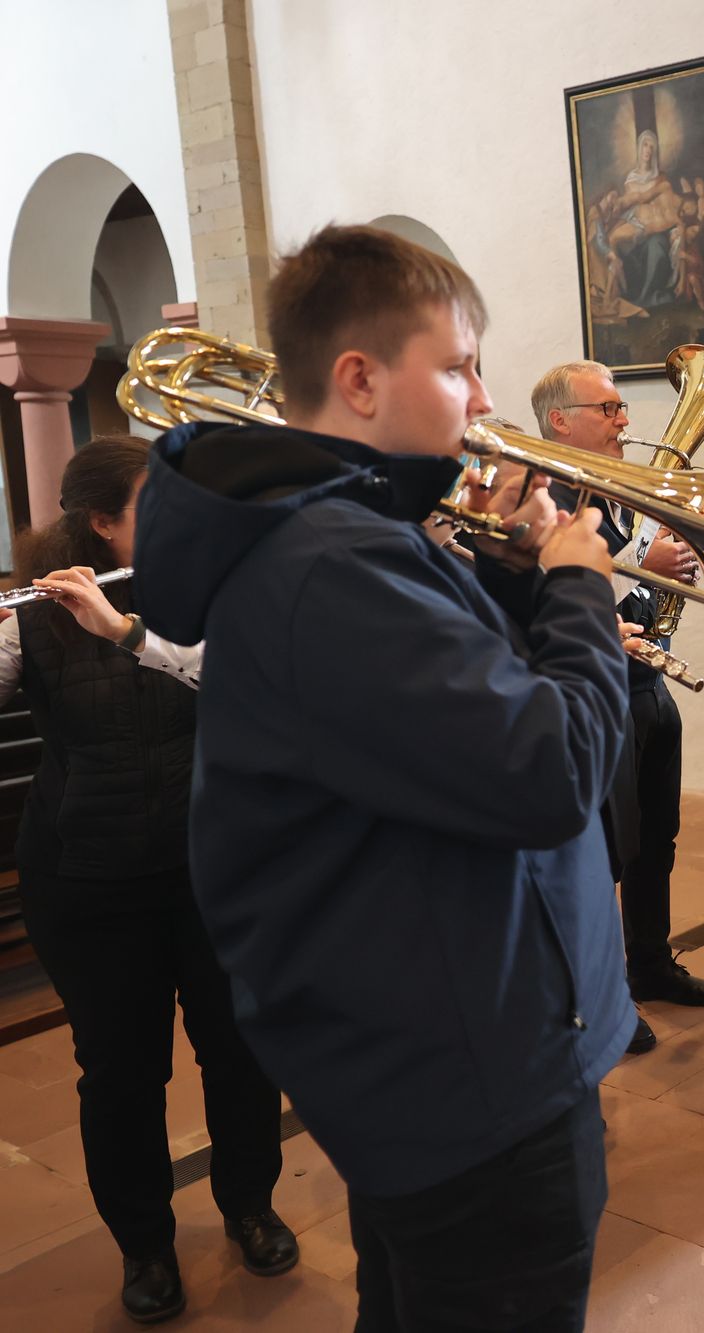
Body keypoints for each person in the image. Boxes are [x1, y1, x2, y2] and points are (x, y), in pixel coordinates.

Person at [133, 224, 632, 1330]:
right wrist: (578, 588)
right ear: (358, 379)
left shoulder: (353, 537)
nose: (481, 395)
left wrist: (509, 580)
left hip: (452, 1037)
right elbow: (549, 770)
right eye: (456, 365)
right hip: (472, 1076)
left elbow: (442, 738)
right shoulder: (332, 562)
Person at [4, 439, 291, 1325]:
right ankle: (146, 1246)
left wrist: (125, 629)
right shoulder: (37, 615)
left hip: (213, 866)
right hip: (86, 878)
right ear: (101, 524)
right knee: (121, 1074)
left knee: (240, 1050)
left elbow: (251, 682)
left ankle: (248, 1202)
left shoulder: (214, 591)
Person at [531, 361, 704, 1039]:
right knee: (609, 850)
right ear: (561, 420)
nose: (625, 421)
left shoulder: (617, 487)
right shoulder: (545, 499)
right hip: (595, 693)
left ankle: (651, 960)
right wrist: (642, 564)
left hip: (646, 683)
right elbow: (547, 597)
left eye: (620, 408)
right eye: (609, 409)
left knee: (656, 839)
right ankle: (607, 990)